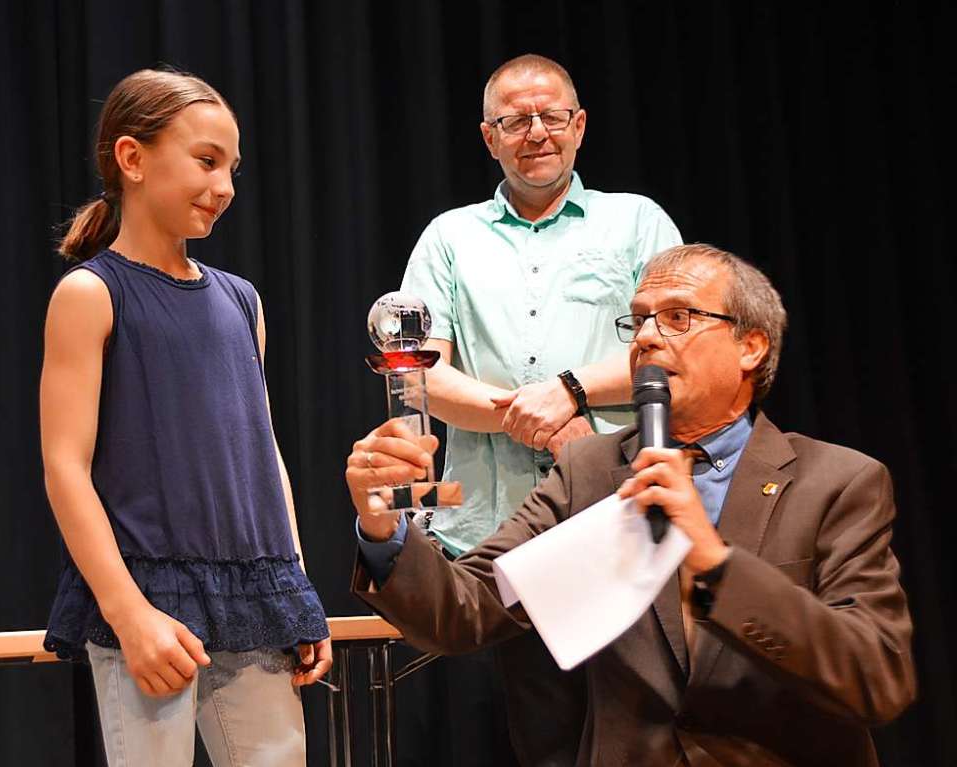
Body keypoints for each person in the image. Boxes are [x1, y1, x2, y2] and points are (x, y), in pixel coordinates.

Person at [347, 243, 916, 766]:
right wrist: (381, 527)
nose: (645, 337)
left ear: (751, 345)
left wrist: (715, 563)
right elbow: (464, 611)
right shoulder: (590, 471)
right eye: (638, 319)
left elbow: (875, 678)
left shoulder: (838, 482)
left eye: (677, 317)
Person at [40, 69, 330, 767]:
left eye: (232, 167)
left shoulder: (242, 301)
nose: (224, 185)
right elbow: (64, 466)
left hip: (254, 601)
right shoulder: (91, 294)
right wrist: (127, 611)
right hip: (149, 600)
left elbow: (264, 458)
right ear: (132, 159)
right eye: (206, 161)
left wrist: (295, 584)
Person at [400, 53, 682, 764]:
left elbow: (679, 350)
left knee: (652, 739)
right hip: (508, 538)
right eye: (514, 120)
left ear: (579, 125)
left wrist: (573, 388)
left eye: (550, 115)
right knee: (548, 744)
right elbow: (419, 372)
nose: (535, 132)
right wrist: (529, 412)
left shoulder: (636, 223)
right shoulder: (450, 237)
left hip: (626, 520)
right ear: (488, 136)